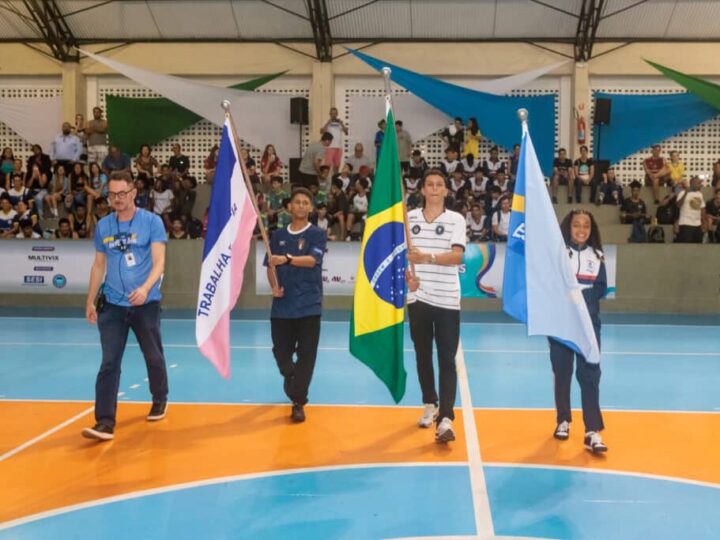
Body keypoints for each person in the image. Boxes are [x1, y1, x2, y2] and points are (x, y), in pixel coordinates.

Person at [82, 171, 169, 441]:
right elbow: (99, 265)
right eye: (112, 195)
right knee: (109, 362)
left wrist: (144, 289)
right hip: (113, 305)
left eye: (122, 194)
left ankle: (159, 398)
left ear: (133, 193)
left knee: (153, 356)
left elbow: (159, 263)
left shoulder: (152, 222)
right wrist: (89, 299)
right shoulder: (104, 226)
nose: (117, 199)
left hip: (145, 304)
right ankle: (105, 422)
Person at [406, 169, 466, 444]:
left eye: (439, 185)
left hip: (446, 299)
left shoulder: (456, 220)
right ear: (422, 190)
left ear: (446, 190)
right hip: (417, 298)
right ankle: (430, 403)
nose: (433, 188)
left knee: (446, 358)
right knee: (422, 355)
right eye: (429, 184)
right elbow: (403, 259)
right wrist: (409, 278)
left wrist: (427, 257)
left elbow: (456, 257)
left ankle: (447, 417)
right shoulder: (409, 219)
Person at [264, 188, 326, 423]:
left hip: (309, 305)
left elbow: (312, 261)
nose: (301, 205)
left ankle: (298, 401)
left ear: (310, 208)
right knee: (281, 353)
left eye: (305, 202)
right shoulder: (278, 235)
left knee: (307, 355)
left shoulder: (317, 234)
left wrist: (287, 259)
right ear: (289, 207)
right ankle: (291, 378)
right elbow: (270, 266)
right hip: (282, 306)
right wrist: (273, 286)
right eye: (296, 202)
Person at [550, 210, 608, 454]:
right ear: (568, 227)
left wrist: (583, 303)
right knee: (562, 372)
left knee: (590, 374)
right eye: (576, 225)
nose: (581, 229)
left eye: (586, 226)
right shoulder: (558, 254)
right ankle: (563, 420)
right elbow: (549, 284)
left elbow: (601, 288)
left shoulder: (598, 256)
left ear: (591, 229)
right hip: (561, 322)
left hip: (588, 325)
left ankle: (592, 431)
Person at [675, 176, 706, 243]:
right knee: (686, 246)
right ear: (692, 183)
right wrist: (686, 193)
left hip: (698, 224)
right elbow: (678, 205)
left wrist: (703, 222)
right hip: (686, 224)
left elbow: (702, 209)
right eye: (698, 183)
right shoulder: (682, 193)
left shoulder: (700, 194)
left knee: (697, 245)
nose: (700, 185)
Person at [321, 107, 347, 173]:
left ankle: (335, 181)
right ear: (330, 114)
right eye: (332, 113)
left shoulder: (340, 123)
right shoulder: (326, 122)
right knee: (328, 166)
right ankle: (326, 181)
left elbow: (346, 132)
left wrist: (342, 124)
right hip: (329, 147)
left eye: (335, 113)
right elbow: (322, 132)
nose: (334, 115)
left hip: (339, 147)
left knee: (337, 166)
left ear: (337, 114)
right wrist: (328, 123)